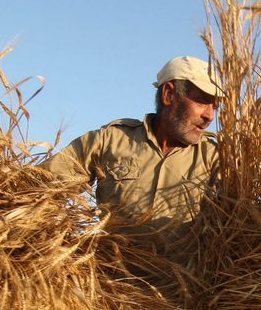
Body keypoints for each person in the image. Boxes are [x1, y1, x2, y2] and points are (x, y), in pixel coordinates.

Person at [42, 56, 222, 238]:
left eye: (214, 107)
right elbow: (39, 186)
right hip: (111, 266)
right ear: (169, 95)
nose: (210, 116)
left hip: (184, 268)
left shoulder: (215, 159)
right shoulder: (110, 140)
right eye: (201, 102)